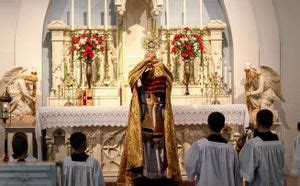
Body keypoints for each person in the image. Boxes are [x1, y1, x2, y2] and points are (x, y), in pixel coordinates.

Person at [117, 51, 181, 185]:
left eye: (152, 58)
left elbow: (168, 83)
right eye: (148, 58)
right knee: (145, 142)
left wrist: (157, 71)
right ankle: (145, 171)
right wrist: (144, 71)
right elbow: (132, 80)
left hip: (158, 111)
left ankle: (160, 172)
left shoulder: (161, 69)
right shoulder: (140, 70)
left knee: (158, 143)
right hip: (144, 111)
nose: (151, 60)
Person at [184, 112, 241, 186]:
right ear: (223, 126)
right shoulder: (230, 149)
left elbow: (189, 165)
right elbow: (236, 175)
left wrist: (191, 177)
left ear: (208, 125)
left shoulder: (200, 146)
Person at [239, 109, 285, 186]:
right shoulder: (279, 141)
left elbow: (246, 171)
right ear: (271, 123)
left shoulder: (253, 144)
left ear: (257, 122)